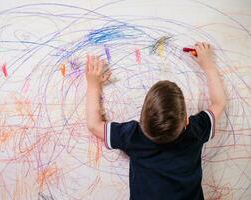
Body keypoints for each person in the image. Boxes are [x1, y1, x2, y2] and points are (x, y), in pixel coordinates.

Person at [85, 42, 227, 199]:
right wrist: (207, 64)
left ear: (142, 119)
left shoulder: (133, 136)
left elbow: (93, 125)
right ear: (186, 120)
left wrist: (93, 85)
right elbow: (219, 103)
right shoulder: (195, 131)